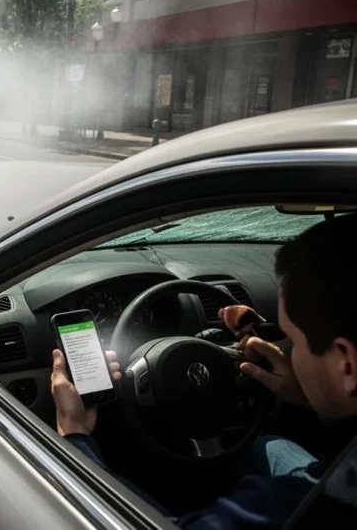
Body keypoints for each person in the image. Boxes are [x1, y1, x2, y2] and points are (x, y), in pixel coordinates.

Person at [52, 213, 357, 529]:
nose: (286, 352)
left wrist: (75, 434)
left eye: (291, 338)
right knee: (266, 446)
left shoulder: (290, 504)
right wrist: (308, 394)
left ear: (346, 363)